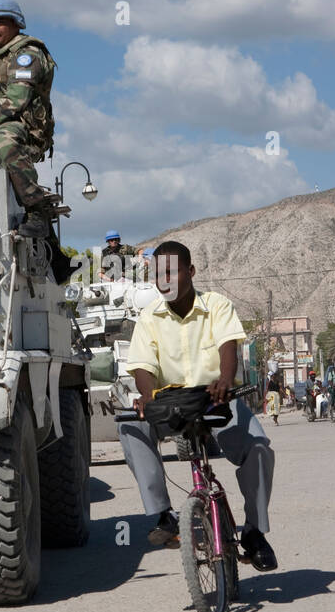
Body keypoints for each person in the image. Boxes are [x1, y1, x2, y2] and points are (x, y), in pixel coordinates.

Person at [118, 241, 277, 570]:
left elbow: (228, 345)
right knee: (131, 426)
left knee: (259, 447)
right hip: (170, 405)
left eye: (173, 271)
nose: (166, 280)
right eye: (159, 274)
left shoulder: (217, 306)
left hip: (215, 400)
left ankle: (254, 532)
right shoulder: (149, 318)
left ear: (190, 271)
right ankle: (163, 514)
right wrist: (148, 397)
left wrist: (224, 379)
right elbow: (142, 367)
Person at [0, 0, 60, 238]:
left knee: (1, 140)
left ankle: (38, 211)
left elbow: (18, 98)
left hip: (25, 131)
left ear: (16, 23)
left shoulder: (27, 53)